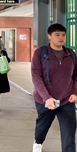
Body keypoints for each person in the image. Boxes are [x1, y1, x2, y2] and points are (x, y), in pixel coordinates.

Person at [31, 23, 77, 152]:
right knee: (43, 126)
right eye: (57, 34)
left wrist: (75, 92)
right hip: (45, 100)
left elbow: (75, 76)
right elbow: (36, 76)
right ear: (49, 36)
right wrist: (47, 98)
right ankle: (38, 143)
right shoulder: (40, 53)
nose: (61, 37)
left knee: (69, 134)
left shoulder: (71, 54)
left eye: (63, 35)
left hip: (67, 100)